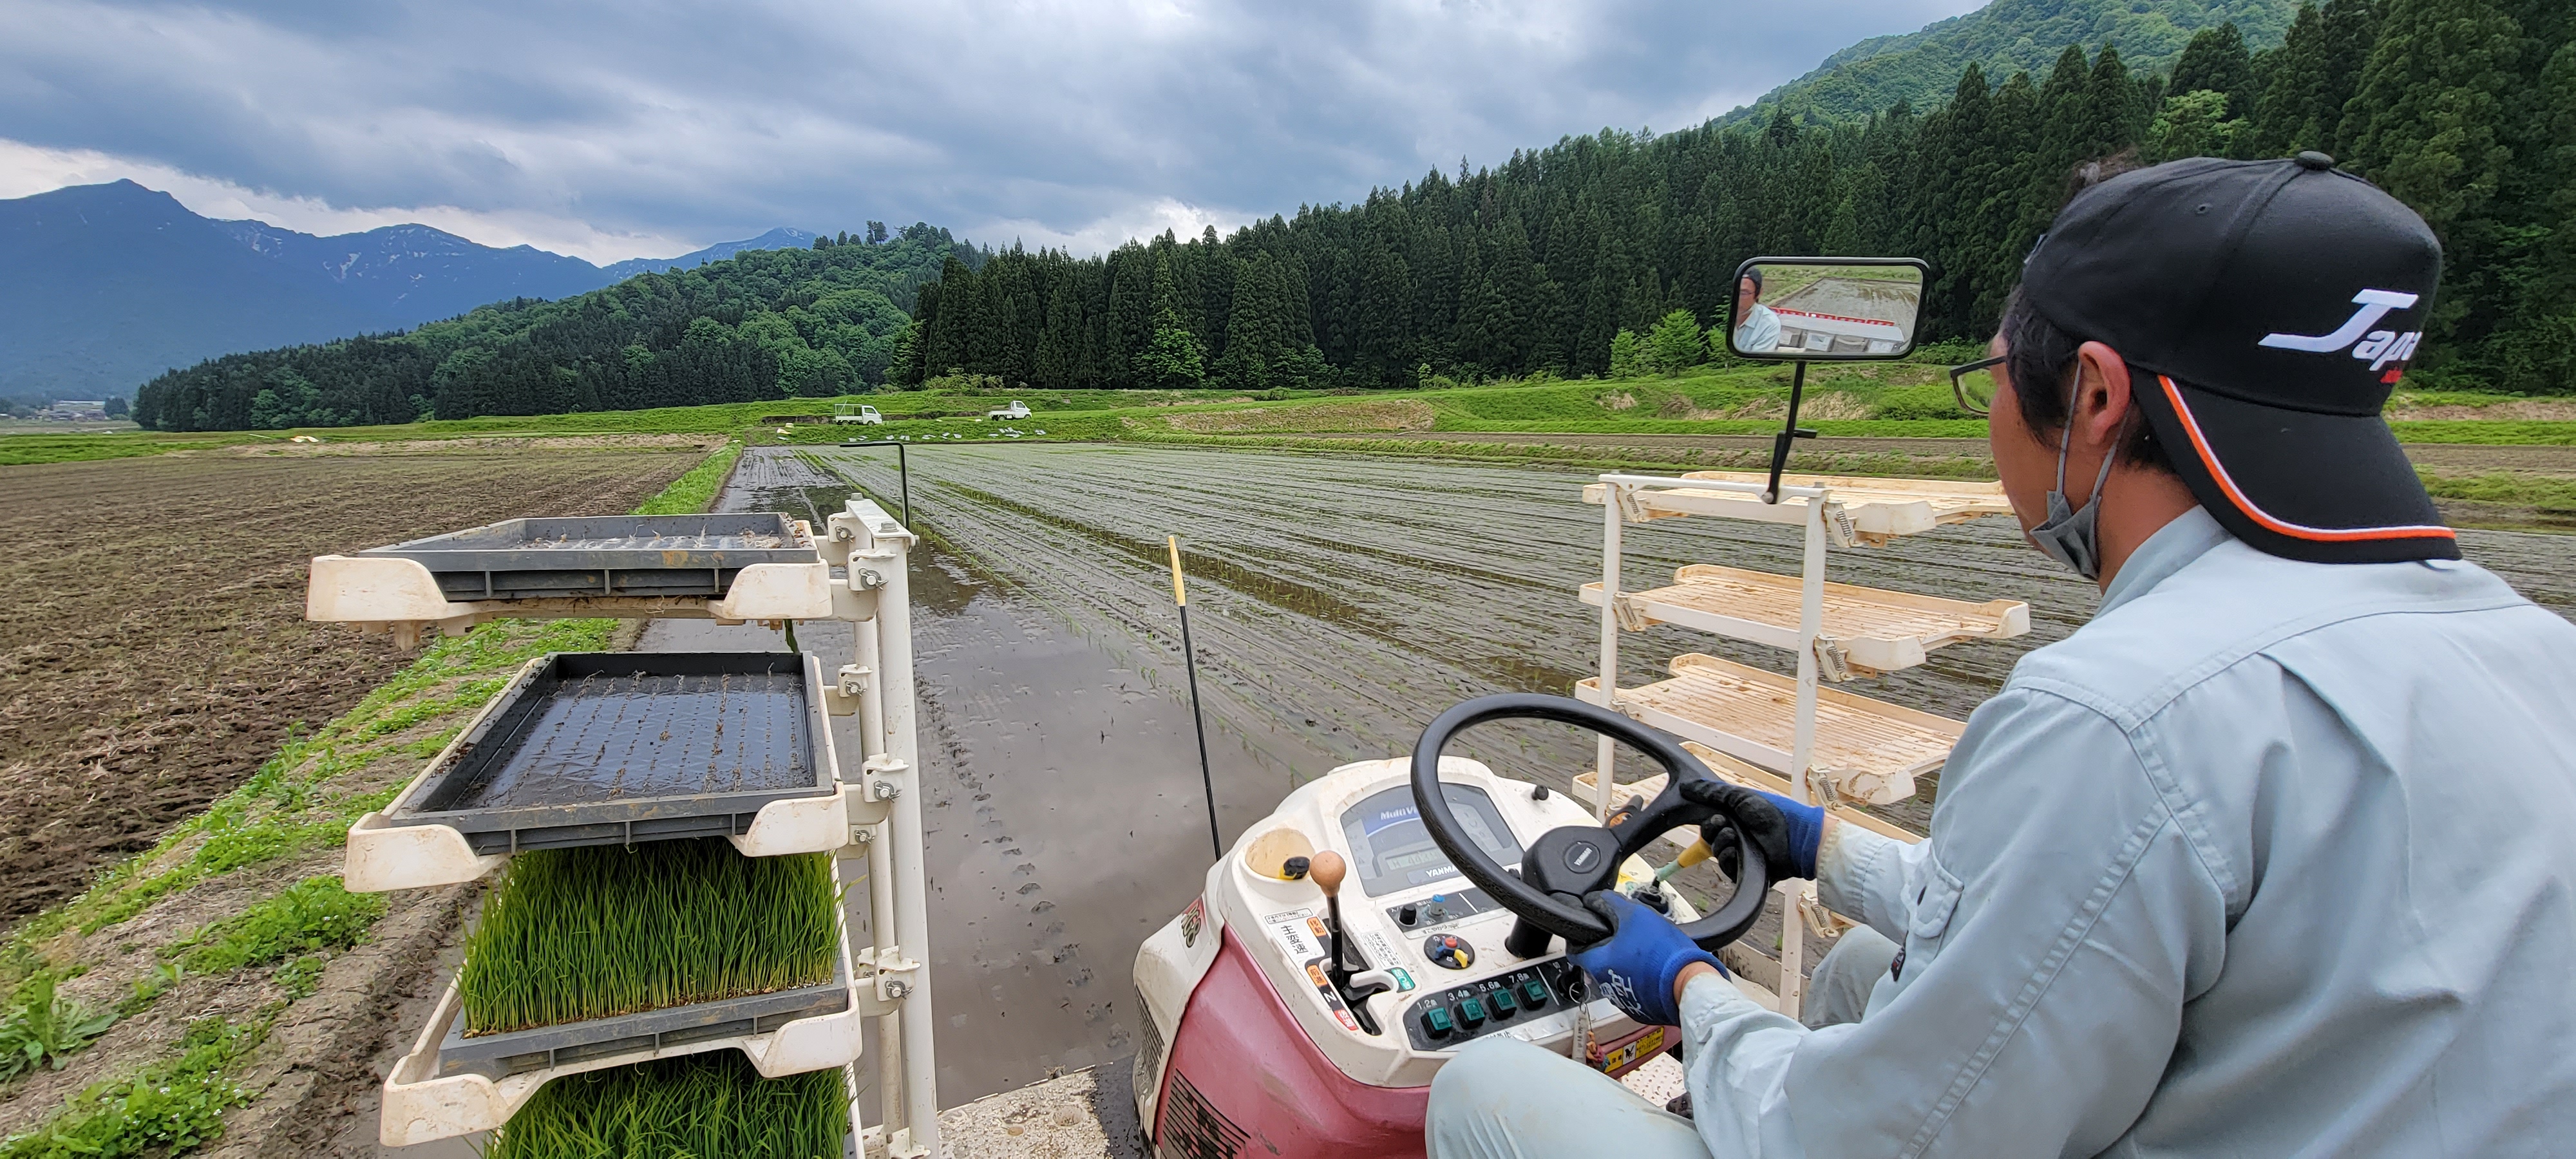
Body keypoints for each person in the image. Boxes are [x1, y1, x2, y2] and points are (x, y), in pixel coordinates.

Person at [1427, 153, 2576, 1156]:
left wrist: (1689, 988)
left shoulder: (2122, 714)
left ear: (2093, 394)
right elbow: (2076, 914)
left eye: (1992, 376)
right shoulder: (2532, 646)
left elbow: (1863, 1142)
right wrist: (1821, 846)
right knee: (1857, 970)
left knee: (1484, 1088)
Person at [1730, 268, 1779, 353]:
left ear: (1759, 293)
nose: (1737, 297)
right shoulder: (1720, 315)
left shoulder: (1769, 324)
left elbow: (1757, 362)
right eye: (1735, 291)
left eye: (1744, 293)